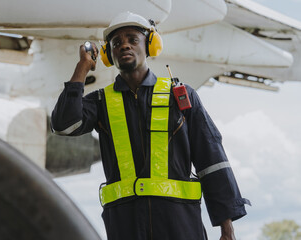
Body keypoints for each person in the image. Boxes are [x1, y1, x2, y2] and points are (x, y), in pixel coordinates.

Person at [51, 12, 250, 240]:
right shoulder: (100, 102)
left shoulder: (181, 97)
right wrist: (83, 68)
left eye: (133, 40)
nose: (124, 45)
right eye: (116, 43)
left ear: (150, 46)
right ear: (108, 54)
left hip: (179, 222)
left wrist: (227, 227)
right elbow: (63, 125)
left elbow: (212, 159)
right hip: (126, 224)